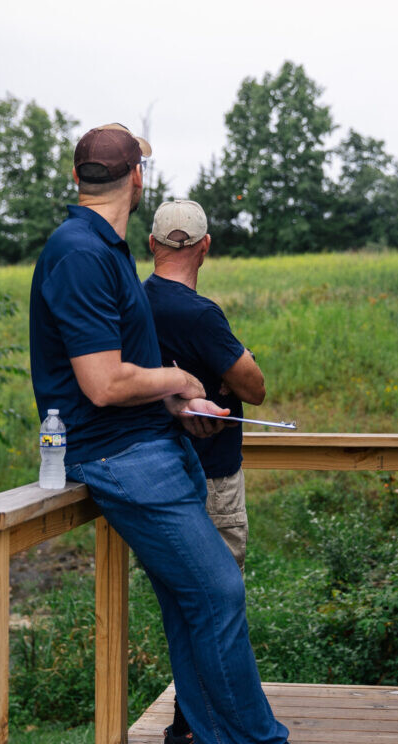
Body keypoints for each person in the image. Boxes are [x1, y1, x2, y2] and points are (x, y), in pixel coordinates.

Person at [29, 123, 289, 744]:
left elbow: (116, 377)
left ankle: (200, 732)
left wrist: (174, 405)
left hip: (146, 444)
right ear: (137, 179)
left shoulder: (103, 246)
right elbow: (101, 383)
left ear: (77, 178)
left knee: (190, 601)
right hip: (124, 459)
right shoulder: (82, 253)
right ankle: (258, 739)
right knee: (220, 590)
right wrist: (177, 376)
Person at [144, 199, 266, 742]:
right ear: (205, 247)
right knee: (218, 608)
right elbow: (254, 388)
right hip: (212, 477)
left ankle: (191, 722)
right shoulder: (200, 314)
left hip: (158, 477)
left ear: (151, 245)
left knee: (186, 604)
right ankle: (196, 727)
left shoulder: (133, 304)